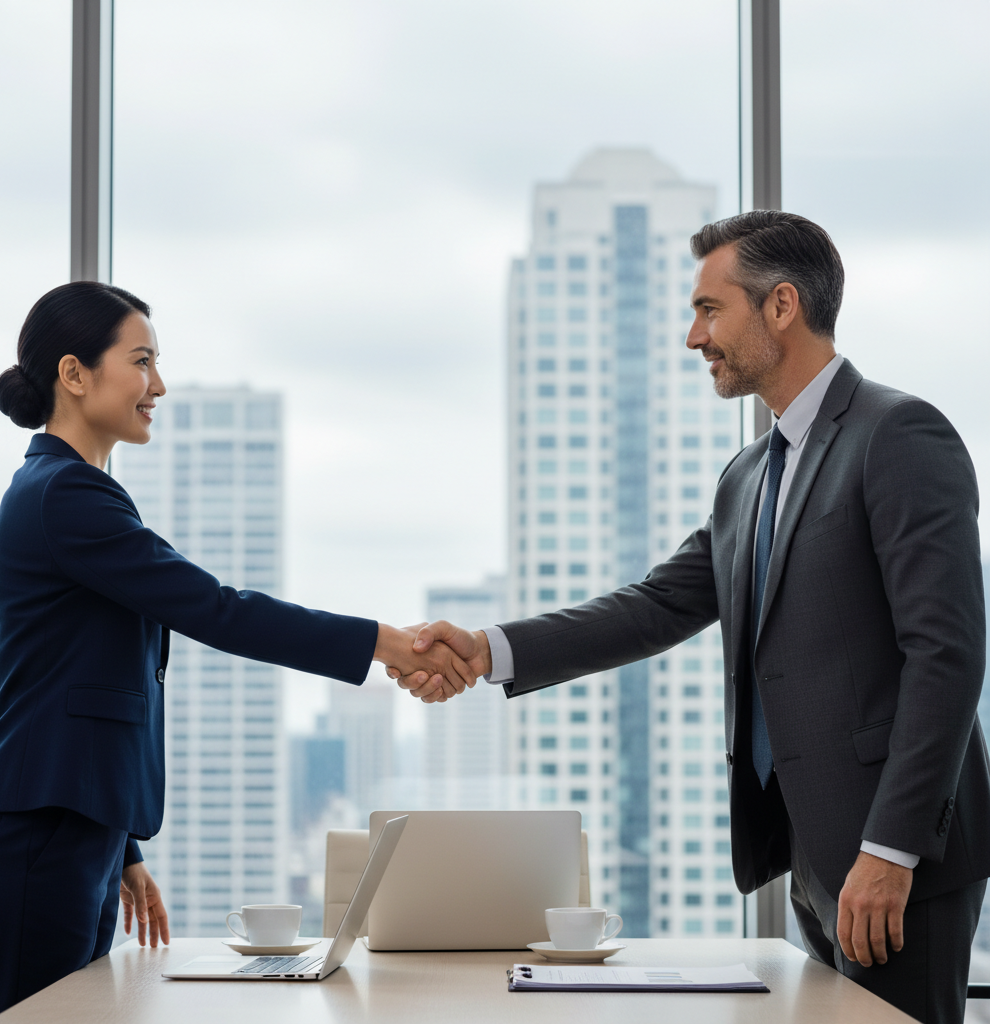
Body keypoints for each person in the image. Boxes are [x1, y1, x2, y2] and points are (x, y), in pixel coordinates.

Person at [393, 211, 990, 1024]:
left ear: (781, 306)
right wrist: (487, 649)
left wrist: (891, 851)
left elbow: (947, 654)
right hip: (812, 860)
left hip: (894, 864)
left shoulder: (899, 435)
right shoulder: (749, 475)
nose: (692, 336)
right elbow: (654, 606)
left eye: (710, 310)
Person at [0, 281, 467, 1024]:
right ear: (75, 374)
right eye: (141, 362)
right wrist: (385, 642)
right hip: (39, 829)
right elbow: (215, 609)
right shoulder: (65, 495)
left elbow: (67, 682)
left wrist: (123, 847)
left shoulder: (72, 492)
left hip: (71, 824)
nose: (157, 385)